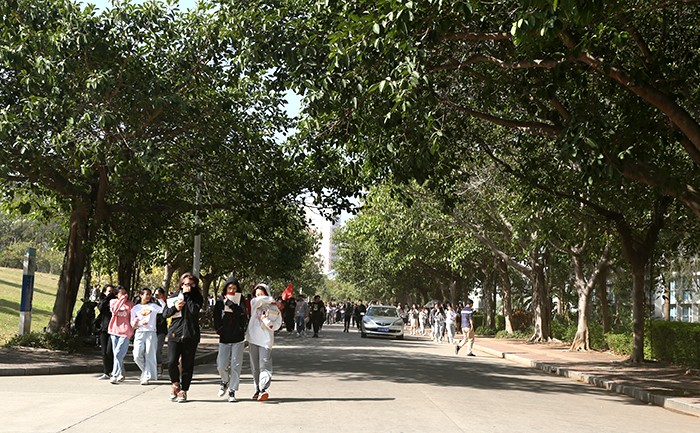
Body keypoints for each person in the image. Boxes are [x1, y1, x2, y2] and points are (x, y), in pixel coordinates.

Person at [163, 272, 204, 403]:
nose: (189, 286)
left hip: (190, 335)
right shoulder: (173, 297)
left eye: (192, 284)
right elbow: (165, 313)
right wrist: (175, 308)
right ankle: (175, 384)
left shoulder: (197, 298)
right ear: (181, 284)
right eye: (186, 284)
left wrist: (187, 296)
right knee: (171, 362)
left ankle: (184, 390)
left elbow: (193, 311)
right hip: (175, 333)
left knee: (187, 364)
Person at [213, 276, 247, 403]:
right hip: (224, 336)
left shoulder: (241, 300)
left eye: (234, 288)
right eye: (229, 288)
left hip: (238, 336)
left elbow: (243, 314)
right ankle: (225, 380)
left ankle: (232, 390)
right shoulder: (220, 300)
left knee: (235, 365)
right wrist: (219, 329)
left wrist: (231, 305)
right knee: (221, 365)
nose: (232, 290)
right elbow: (216, 316)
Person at [246, 283, 282, 401]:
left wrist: (266, 320)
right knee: (255, 367)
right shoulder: (254, 304)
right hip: (253, 339)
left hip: (266, 340)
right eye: (257, 295)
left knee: (264, 365)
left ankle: (264, 389)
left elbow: (276, 325)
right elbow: (257, 301)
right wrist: (270, 300)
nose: (259, 297)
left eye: (262, 294)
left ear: (267, 293)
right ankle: (257, 389)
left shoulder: (274, 308)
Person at [130, 288, 164, 385]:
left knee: (150, 354)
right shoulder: (135, 308)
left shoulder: (153, 306)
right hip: (140, 332)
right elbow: (132, 324)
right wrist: (139, 323)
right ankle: (146, 372)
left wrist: (160, 299)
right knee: (137, 355)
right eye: (146, 294)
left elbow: (164, 309)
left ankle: (146, 377)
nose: (148, 296)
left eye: (150, 294)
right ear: (141, 295)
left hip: (151, 332)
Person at [108, 286, 134, 384]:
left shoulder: (130, 304)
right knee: (117, 354)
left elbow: (133, 317)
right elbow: (114, 311)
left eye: (125, 293)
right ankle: (121, 373)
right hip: (114, 331)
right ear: (116, 294)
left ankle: (114, 374)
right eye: (121, 293)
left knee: (118, 353)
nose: (124, 295)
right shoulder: (113, 302)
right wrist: (121, 300)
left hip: (125, 332)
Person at [96, 284, 116, 380]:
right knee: (104, 352)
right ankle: (106, 372)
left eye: (112, 292)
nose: (111, 293)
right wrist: (108, 298)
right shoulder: (103, 301)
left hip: (114, 329)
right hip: (104, 328)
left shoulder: (116, 302)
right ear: (104, 292)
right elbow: (100, 307)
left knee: (110, 351)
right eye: (109, 291)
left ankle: (112, 371)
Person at [154, 287, 168, 375]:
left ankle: (159, 365)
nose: (156, 296)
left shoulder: (166, 303)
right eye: (155, 294)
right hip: (151, 329)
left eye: (159, 294)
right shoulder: (151, 303)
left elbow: (165, 311)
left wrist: (161, 300)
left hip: (161, 330)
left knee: (158, 349)